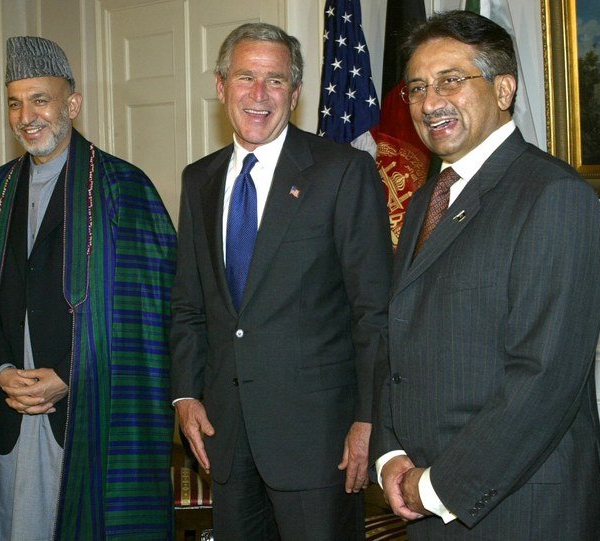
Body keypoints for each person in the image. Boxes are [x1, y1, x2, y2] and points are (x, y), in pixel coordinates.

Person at [371, 10, 600, 540]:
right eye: (416, 87)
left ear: (504, 89)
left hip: (521, 509)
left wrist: (435, 487)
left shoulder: (554, 198)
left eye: (451, 80)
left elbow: (542, 379)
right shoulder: (423, 204)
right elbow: (397, 336)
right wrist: (390, 453)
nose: (429, 102)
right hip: (427, 503)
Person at [170, 22, 391, 540]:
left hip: (319, 443)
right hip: (225, 433)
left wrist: (369, 422)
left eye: (275, 81)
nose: (259, 95)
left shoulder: (342, 171)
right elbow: (188, 303)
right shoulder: (197, 179)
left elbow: (374, 310)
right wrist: (185, 395)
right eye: (246, 77)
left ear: (294, 94)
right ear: (222, 86)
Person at [0, 36, 177, 540]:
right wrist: (0, 370)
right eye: (15, 102)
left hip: (91, 410)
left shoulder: (125, 191)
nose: (26, 115)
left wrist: (73, 374)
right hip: (9, 409)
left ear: (72, 104)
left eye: (40, 99)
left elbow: (152, 319)